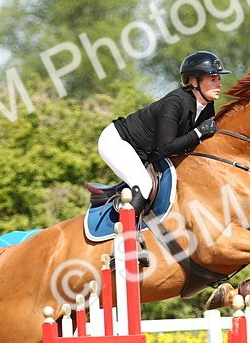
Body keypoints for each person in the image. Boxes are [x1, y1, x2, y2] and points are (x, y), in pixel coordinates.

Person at [97, 50, 230, 219]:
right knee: (144, 184)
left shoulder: (207, 106)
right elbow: (167, 147)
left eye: (219, 79)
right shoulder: (174, 103)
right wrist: (198, 132)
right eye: (213, 79)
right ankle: (124, 237)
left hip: (147, 152)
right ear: (195, 82)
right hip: (117, 142)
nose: (219, 84)